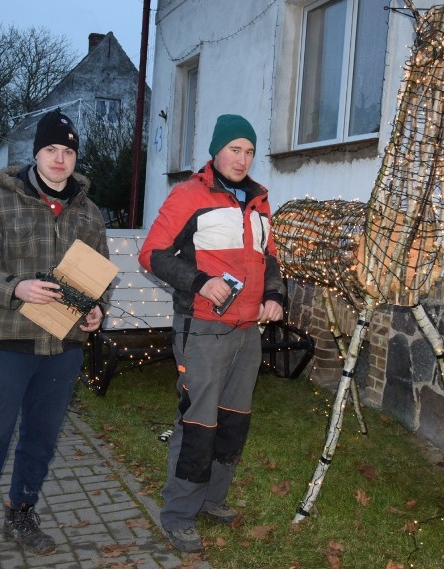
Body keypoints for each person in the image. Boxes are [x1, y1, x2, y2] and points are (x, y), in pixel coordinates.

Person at [0, 109, 108, 569]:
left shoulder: (90, 215)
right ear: (36, 154)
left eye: (68, 151)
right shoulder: (1, 204)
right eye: (52, 150)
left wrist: (96, 310)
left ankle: (22, 515)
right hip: (7, 347)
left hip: (63, 351)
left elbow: (98, 280)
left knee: (40, 440)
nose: (60, 159)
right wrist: (16, 288)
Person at [138, 114, 285, 553]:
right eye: (234, 149)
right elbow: (152, 254)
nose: (242, 159)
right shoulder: (188, 195)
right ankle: (179, 515)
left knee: (234, 422)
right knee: (199, 422)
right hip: (202, 330)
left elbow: (269, 257)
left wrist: (276, 294)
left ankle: (212, 500)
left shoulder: (258, 201)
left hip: (246, 332)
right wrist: (201, 281)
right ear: (216, 151)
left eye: (249, 151)